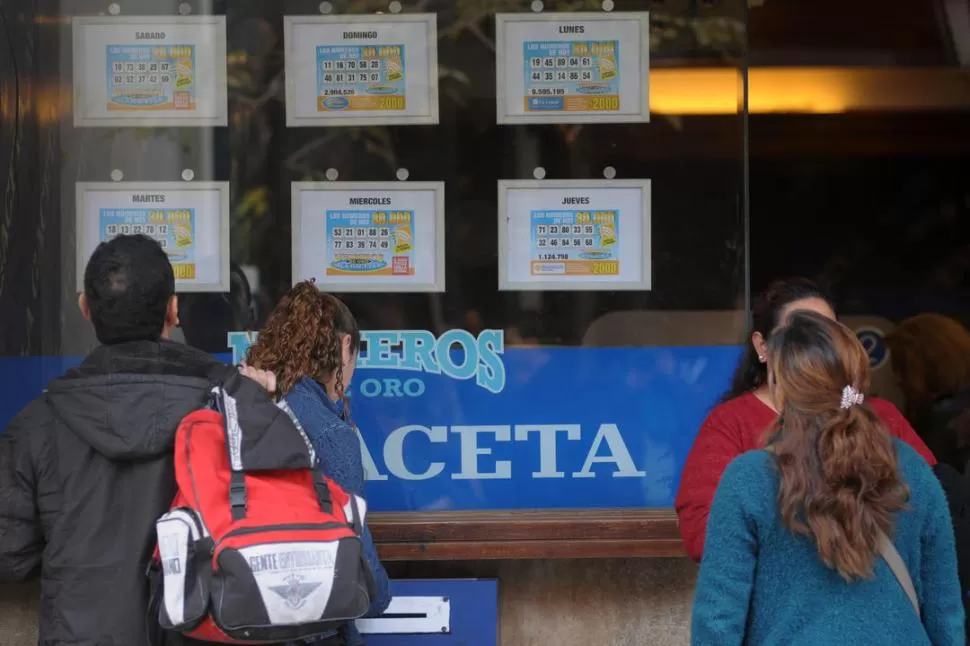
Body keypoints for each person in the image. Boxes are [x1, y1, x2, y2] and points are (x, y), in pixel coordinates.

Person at [0, 234, 281, 646]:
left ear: (85, 309)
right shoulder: (234, 404)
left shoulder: (38, 423)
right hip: (208, 630)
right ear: (174, 309)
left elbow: (10, 552)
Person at [691, 311, 964, 645]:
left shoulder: (748, 479)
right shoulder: (913, 470)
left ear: (781, 389)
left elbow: (717, 622)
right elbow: (945, 612)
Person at [675, 277, 936, 562]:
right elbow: (703, 533)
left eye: (828, 332)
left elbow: (931, 511)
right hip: (781, 599)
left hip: (873, 591)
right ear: (763, 347)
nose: (816, 345)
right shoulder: (730, 423)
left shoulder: (880, 415)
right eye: (799, 333)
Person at [246, 280, 391, 646]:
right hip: (313, 632)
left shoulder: (244, 407)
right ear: (345, 345)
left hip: (237, 618)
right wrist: (382, 595)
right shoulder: (330, 434)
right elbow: (362, 579)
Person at [886, 313, 970, 473]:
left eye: (903, 367)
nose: (897, 379)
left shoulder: (951, 427)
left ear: (934, 362)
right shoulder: (933, 417)